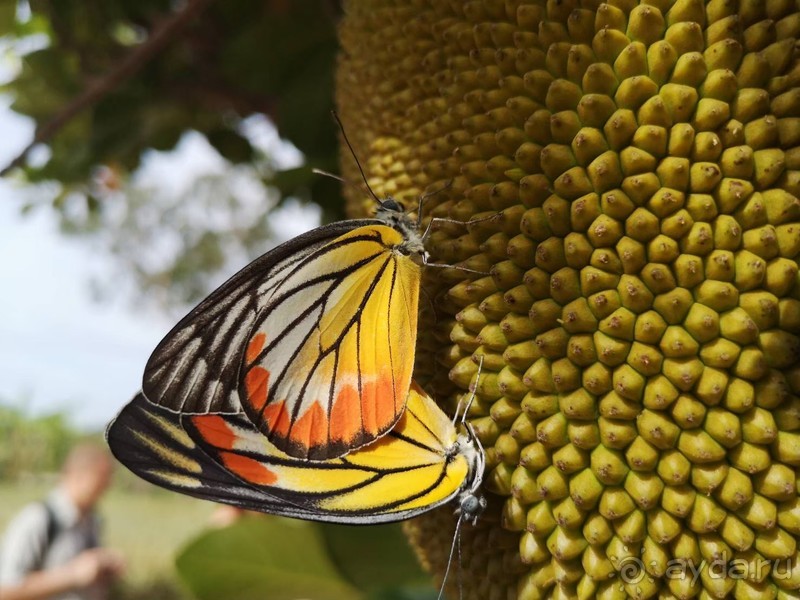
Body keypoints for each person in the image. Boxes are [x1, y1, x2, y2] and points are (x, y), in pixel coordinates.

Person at [0, 443, 125, 600]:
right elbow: (5, 591)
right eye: (103, 478)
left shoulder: (92, 520)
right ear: (79, 475)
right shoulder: (36, 519)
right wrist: (72, 575)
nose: (108, 486)